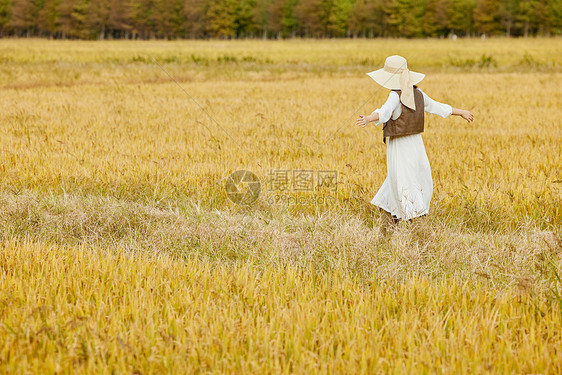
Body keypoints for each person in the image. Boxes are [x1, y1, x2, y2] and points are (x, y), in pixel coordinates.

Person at [356, 55, 473, 224]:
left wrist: (368, 118)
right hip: (416, 143)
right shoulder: (418, 93)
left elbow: (384, 111)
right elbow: (436, 106)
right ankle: (397, 214)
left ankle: (408, 215)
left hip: (400, 144)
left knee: (401, 177)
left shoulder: (395, 95)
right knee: (413, 176)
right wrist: (460, 111)